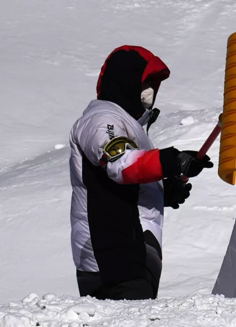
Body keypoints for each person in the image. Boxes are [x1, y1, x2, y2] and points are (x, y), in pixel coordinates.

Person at [68, 45, 213, 300]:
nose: (151, 92)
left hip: (129, 251)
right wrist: (173, 161)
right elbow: (119, 163)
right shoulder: (103, 118)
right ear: (126, 82)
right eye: (147, 83)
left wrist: (162, 191)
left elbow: (121, 181)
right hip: (111, 251)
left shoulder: (129, 124)